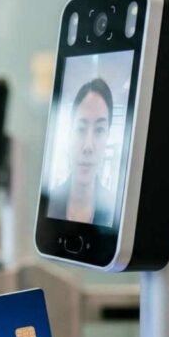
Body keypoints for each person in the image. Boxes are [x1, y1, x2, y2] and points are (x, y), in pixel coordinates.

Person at [48, 78, 114, 226]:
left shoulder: (115, 209)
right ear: (70, 132)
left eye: (99, 130)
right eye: (81, 129)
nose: (88, 146)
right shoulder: (48, 202)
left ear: (108, 136)